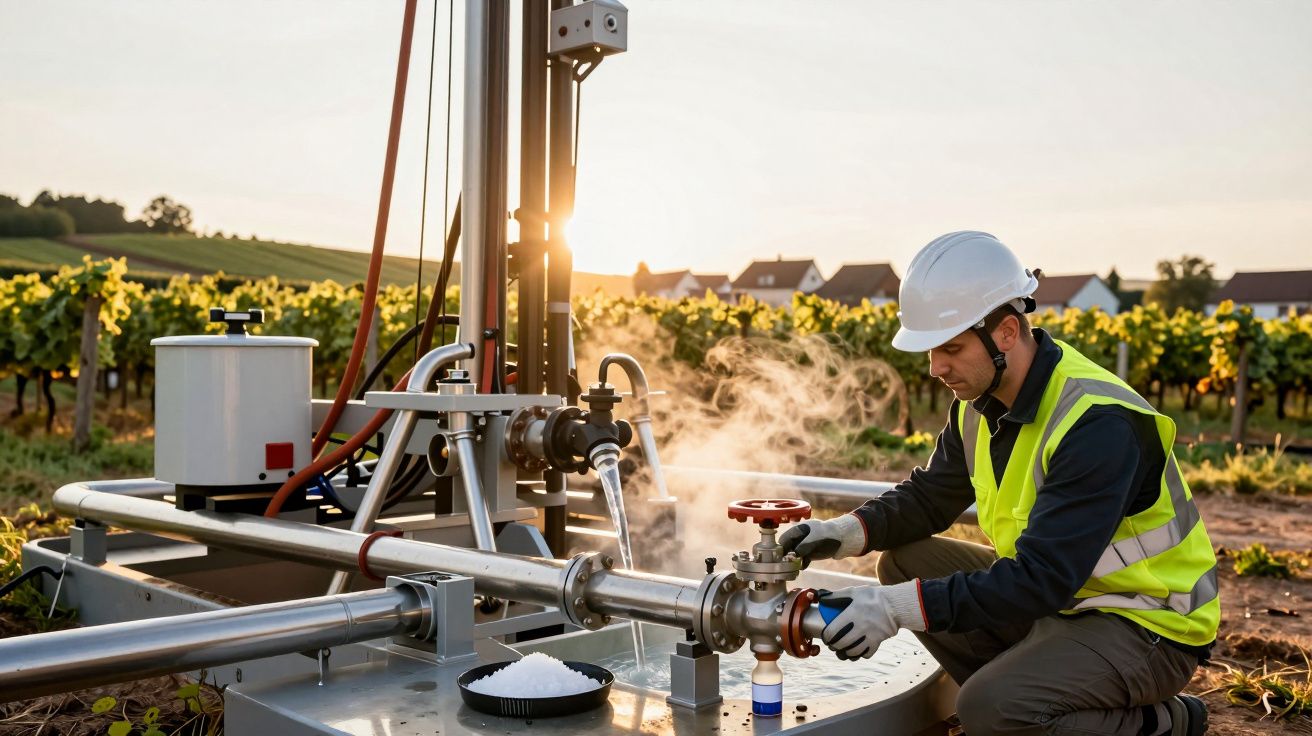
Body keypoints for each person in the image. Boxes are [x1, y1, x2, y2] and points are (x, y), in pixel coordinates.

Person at [780, 232, 1218, 736]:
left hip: (1146, 621)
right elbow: (929, 497)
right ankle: (1029, 688)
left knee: (989, 708)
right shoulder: (978, 407)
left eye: (950, 348)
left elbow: (1042, 577)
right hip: (1065, 601)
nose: (936, 368)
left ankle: (1167, 721)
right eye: (930, 351)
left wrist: (896, 610)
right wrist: (840, 532)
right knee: (903, 562)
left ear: (1007, 332)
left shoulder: (1098, 423)